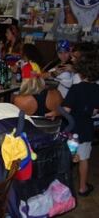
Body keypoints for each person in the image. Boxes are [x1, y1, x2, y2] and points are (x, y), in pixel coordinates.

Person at [47, 51, 99, 197]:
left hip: (71, 129)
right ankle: (82, 187)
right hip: (86, 129)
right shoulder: (97, 89)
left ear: (80, 71)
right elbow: (94, 111)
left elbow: (66, 110)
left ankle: (61, 188)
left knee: (66, 158)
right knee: (84, 159)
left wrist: (54, 112)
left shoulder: (76, 89)